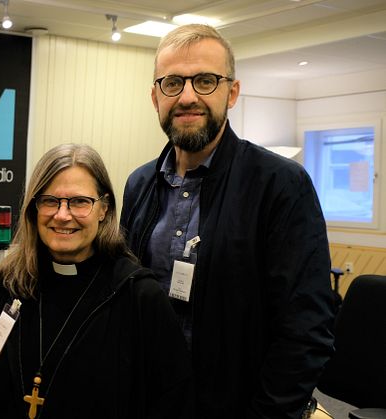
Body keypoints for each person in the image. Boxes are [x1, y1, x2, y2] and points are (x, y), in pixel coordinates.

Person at [120, 24, 336, 418]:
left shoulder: (280, 185)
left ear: (231, 92)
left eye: (205, 81)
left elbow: (305, 328)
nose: (187, 96)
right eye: (172, 83)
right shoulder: (140, 184)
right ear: (155, 97)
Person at [0, 143, 192, 418]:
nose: (62, 215)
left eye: (80, 201)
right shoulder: (9, 286)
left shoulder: (139, 297)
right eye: (50, 201)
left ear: (104, 209)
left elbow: (171, 402)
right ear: (34, 208)